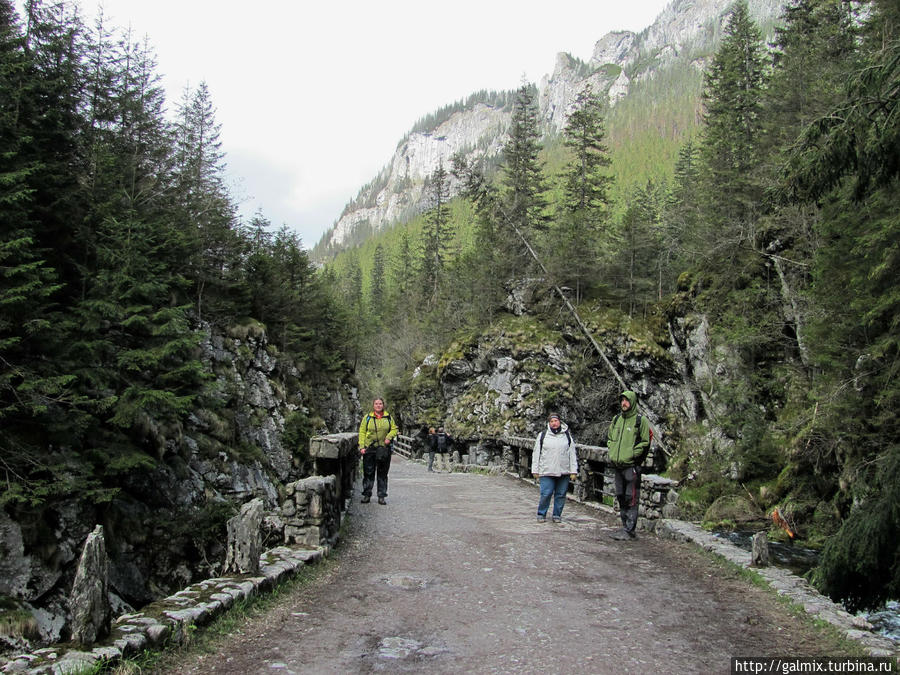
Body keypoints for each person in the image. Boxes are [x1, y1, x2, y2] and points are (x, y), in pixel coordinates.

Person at [606, 390, 651, 540]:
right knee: (620, 495)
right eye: (622, 400)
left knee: (630, 497)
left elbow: (645, 442)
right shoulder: (617, 419)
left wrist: (632, 454)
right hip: (618, 465)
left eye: (626, 400)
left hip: (631, 466)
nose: (623, 403)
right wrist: (612, 450)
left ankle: (630, 530)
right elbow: (610, 438)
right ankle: (625, 527)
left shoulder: (640, 421)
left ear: (632, 402)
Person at [531, 413, 578, 523]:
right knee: (546, 494)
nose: (554, 423)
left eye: (556, 421)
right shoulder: (543, 435)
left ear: (560, 422)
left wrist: (573, 471)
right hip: (547, 470)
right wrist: (535, 470)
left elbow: (572, 454)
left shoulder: (567, 436)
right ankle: (541, 513)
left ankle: (557, 515)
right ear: (549, 423)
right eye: (551, 421)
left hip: (563, 471)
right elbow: (536, 453)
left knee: (561, 495)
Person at [358, 397, 398, 505]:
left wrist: (389, 437)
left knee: (382, 473)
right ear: (373, 405)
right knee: (368, 472)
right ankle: (367, 494)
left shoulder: (388, 417)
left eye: (380, 403)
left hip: (384, 449)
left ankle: (381, 496)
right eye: (376, 404)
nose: (378, 405)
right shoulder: (367, 418)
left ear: (383, 405)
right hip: (370, 448)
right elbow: (362, 432)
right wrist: (362, 446)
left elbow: (395, 429)